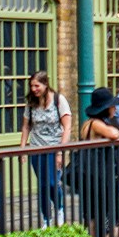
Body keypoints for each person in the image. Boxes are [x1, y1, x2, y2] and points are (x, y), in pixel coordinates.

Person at [75, 87, 119, 237]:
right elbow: (114, 134)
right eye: (112, 106)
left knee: (92, 218)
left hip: (90, 177)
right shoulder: (98, 124)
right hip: (100, 177)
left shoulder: (87, 123)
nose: (115, 109)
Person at [21, 70, 71, 226]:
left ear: (45, 84)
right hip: (36, 148)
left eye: (37, 86)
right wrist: (23, 148)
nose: (34, 89)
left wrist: (60, 152)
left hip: (54, 147)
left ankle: (59, 208)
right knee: (42, 184)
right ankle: (46, 218)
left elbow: (67, 127)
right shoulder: (31, 103)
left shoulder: (58, 100)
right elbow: (26, 127)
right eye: (32, 86)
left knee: (52, 182)